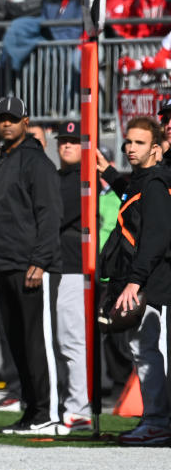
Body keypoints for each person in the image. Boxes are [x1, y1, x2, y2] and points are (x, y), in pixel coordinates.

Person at [0, 96, 65, 436]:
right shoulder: (0, 163)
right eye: (2, 118)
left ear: (25, 121)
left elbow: (50, 214)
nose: (7, 123)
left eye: (13, 118)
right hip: (5, 265)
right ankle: (31, 411)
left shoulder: (37, 162)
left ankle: (48, 411)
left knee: (36, 343)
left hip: (31, 266)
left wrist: (40, 260)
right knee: (17, 345)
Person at [97, 117, 171, 446]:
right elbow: (130, 196)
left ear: (156, 149)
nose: (130, 147)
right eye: (128, 141)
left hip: (154, 284)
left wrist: (135, 281)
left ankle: (157, 420)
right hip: (144, 281)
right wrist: (109, 172)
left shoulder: (154, 182)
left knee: (149, 350)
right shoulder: (141, 180)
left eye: (139, 143)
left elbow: (155, 236)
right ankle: (155, 419)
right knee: (141, 349)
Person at [53, 120, 92, 431]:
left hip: (74, 269)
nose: (66, 145)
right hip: (55, 267)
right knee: (59, 341)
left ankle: (79, 408)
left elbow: (57, 216)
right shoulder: (55, 177)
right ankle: (63, 403)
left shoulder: (84, 179)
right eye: (62, 140)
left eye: (73, 140)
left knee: (72, 341)